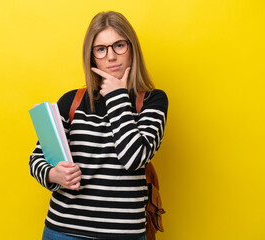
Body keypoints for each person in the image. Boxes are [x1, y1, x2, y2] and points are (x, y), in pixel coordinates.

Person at [29, 11, 168, 240]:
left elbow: (133, 158)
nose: (111, 56)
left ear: (132, 48)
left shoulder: (153, 101)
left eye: (119, 45)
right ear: (92, 56)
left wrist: (117, 97)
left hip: (123, 234)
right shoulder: (71, 101)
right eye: (101, 49)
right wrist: (54, 174)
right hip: (63, 231)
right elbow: (36, 159)